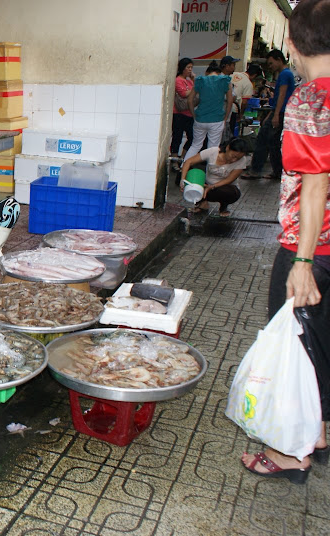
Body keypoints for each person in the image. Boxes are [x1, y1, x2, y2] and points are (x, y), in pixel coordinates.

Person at [240, 0, 330, 484]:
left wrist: (303, 260)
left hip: (314, 246)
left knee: (293, 344)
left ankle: (288, 454)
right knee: (321, 339)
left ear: (292, 43)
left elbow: (315, 184)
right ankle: (315, 433)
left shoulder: (312, 99)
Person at [244, 49, 296, 179]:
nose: (270, 67)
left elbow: (282, 95)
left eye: (271, 63)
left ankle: (256, 170)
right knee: (273, 143)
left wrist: (276, 114)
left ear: (278, 59)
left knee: (263, 139)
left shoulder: (284, 74)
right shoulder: (286, 74)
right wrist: (273, 113)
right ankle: (277, 172)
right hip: (280, 111)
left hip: (281, 111)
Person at [179, 138, 249, 217]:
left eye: (237, 158)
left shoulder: (242, 160)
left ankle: (223, 205)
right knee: (194, 177)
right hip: (206, 184)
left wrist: (211, 187)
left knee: (231, 193)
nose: (234, 160)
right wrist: (183, 179)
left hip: (224, 188)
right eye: (233, 156)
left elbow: (229, 179)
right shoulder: (213, 152)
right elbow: (189, 161)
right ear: (227, 148)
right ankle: (202, 203)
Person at [183, 61, 234, 161]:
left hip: (200, 118)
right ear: (218, 72)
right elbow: (230, 101)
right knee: (213, 148)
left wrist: (194, 114)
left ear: (207, 72)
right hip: (217, 119)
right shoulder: (225, 80)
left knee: (195, 145)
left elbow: (190, 100)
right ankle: (210, 172)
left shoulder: (200, 80)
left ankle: (183, 168)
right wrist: (226, 117)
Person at [171, 57, 195, 169]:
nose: (190, 70)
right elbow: (183, 94)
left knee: (192, 137)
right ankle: (175, 160)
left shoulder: (190, 81)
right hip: (179, 113)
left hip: (189, 113)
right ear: (182, 68)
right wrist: (195, 88)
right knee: (177, 137)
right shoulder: (178, 80)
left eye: (191, 67)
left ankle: (183, 157)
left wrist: (194, 82)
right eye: (188, 67)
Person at [220, 55, 240, 141]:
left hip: (226, 116)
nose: (234, 67)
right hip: (221, 116)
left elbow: (233, 97)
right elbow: (230, 98)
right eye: (233, 65)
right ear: (227, 66)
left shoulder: (228, 79)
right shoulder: (221, 80)